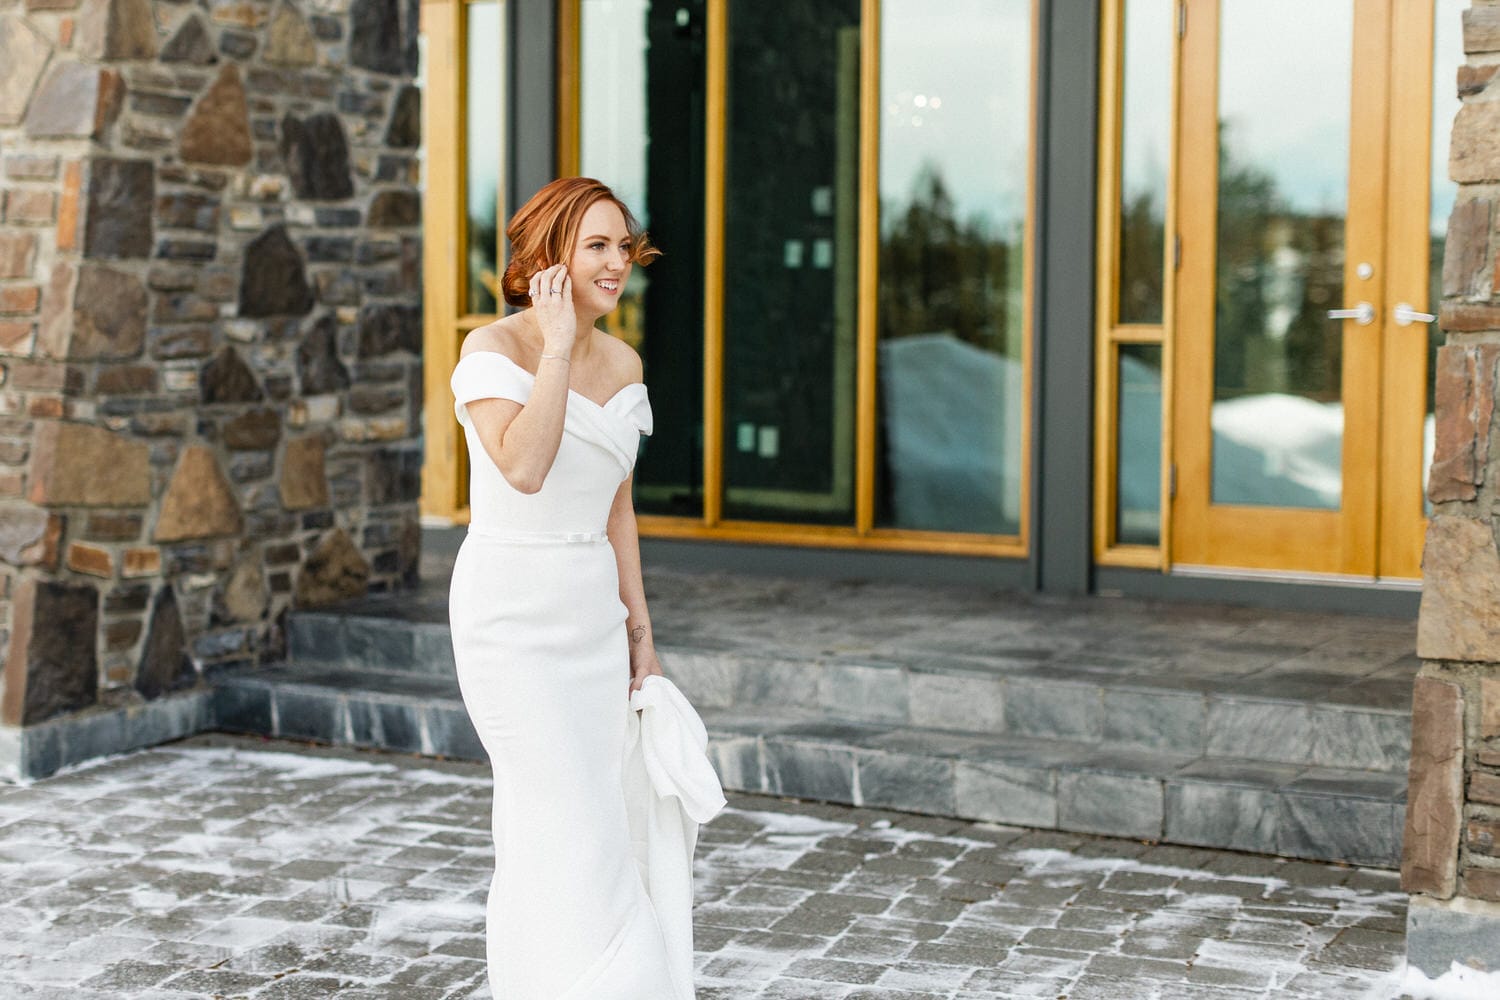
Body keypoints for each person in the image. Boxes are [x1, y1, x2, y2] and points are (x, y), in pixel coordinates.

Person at [448, 177, 710, 999]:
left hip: (591, 619)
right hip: (509, 619)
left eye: (622, 246)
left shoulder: (625, 360)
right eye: (595, 245)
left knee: (600, 815)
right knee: (557, 819)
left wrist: (642, 639)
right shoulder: (490, 351)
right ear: (545, 257)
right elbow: (524, 467)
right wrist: (555, 348)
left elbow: (618, 508)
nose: (616, 262)